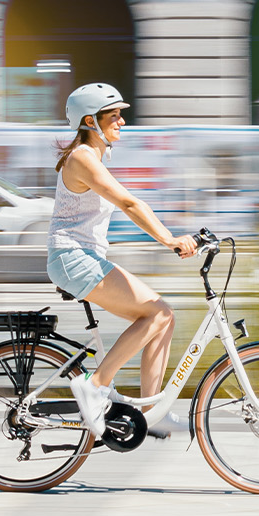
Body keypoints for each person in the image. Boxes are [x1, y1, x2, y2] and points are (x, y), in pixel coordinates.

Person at [46, 83, 198, 439]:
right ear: (90, 121)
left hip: (82, 258)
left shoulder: (92, 156)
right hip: (72, 257)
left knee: (164, 317)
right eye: (113, 115)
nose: (122, 121)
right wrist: (170, 239)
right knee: (158, 312)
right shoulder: (83, 157)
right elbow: (130, 204)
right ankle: (94, 384)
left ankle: (150, 411)